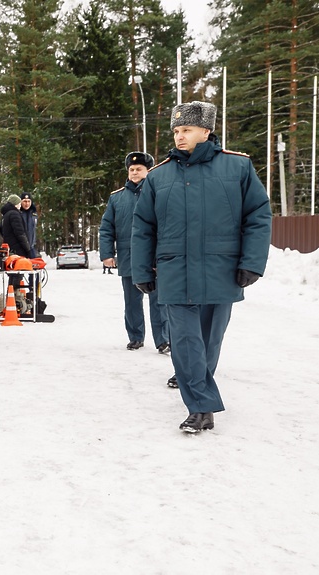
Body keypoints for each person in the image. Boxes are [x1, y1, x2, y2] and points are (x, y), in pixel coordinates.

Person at [131, 101, 272, 433]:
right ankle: (200, 407)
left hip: (221, 270)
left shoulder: (237, 168)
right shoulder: (158, 176)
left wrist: (251, 262)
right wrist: (140, 270)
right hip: (174, 272)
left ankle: (197, 388)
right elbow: (143, 227)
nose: (180, 136)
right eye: (177, 131)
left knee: (209, 341)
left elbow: (258, 217)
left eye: (187, 130)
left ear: (206, 131)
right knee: (184, 340)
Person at [99, 152, 169, 353]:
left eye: (139, 169)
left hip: (154, 257)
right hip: (129, 257)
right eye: (132, 169)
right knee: (132, 301)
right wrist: (107, 254)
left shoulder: (159, 193)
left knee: (159, 301)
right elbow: (106, 227)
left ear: (148, 171)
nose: (135, 172)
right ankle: (136, 337)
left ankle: (163, 340)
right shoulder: (117, 198)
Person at [19, 191, 38, 256]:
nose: (27, 204)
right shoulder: (17, 213)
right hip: (20, 247)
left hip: (31, 247)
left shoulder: (34, 214)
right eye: (24, 201)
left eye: (28, 201)